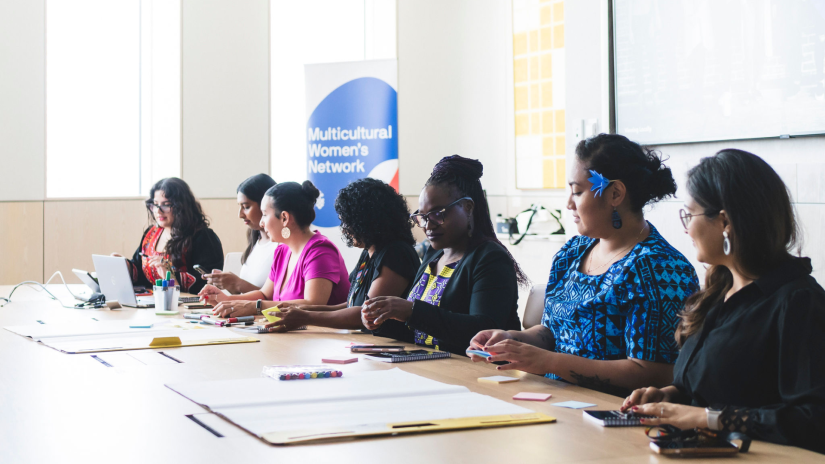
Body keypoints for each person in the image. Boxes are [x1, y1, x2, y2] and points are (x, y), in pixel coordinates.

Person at [621, 149, 825, 454]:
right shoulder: (717, 292)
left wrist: (705, 417)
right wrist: (671, 396)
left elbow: (813, 421)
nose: (685, 227)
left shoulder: (799, 302)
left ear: (725, 221)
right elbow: (711, 389)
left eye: (689, 215)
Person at [469, 134, 699, 395]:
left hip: (613, 416)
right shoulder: (572, 252)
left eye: (577, 191)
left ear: (615, 193)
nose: (569, 204)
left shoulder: (660, 268)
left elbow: (655, 373)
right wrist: (514, 340)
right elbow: (553, 331)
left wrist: (548, 362)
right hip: (555, 400)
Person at [359, 155, 526, 355]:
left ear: (468, 207)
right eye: (422, 217)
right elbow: (417, 332)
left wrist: (411, 311)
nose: (428, 225)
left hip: (478, 374)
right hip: (432, 368)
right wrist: (380, 321)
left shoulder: (490, 258)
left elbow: (483, 331)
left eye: (438, 214)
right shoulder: (434, 254)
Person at [265, 178, 420, 332]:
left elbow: (366, 314)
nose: (345, 229)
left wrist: (306, 316)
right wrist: (304, 309)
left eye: (348, 221)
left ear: (368, 220)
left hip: (393, 349)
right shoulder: (370, 252)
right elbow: (352, 305)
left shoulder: (396, 253)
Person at [198, 181, 350, 317]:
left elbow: (313, 305)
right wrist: (226, 300)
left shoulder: (320, 251)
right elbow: (265, 294)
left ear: (284, 218)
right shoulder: (282, 250)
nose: (261, 223)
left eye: (264, 215)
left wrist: (254, 307)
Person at [114, 177, 223, 294]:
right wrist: (126, 266)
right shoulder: (151, 234)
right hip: (152, 302)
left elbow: (207, 281)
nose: (158, 211)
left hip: (187, 306)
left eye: (166, 205)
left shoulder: (203, 237)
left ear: (181, 206)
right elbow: (140, 271)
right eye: (155, 204)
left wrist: (169, 274)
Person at [205, 174, 278, 294]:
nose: (240, 215)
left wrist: (238, 284)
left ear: (265, 205)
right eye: (240, 207)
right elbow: (246, 297)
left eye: (246, 207)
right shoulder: (256, 241)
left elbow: (278, 299)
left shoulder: (282, 246)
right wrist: (228, 285)